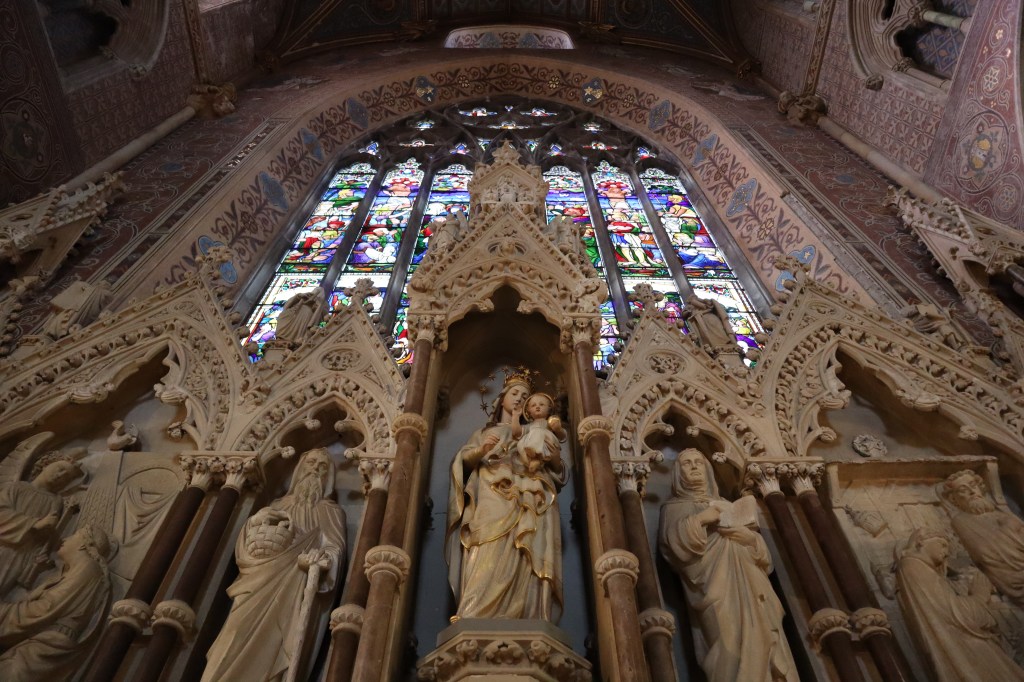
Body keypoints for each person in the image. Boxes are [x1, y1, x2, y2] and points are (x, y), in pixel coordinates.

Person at [202, 449, 346, 682]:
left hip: (295, 586)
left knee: (281, 643)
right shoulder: (278, 504)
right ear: (299, 469)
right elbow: (246, 547)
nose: (315, 470)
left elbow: (334, 548)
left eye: (322, 467)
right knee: (235, 634)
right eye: (311, 463)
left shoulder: (330, 512)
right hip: (258, 581)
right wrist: (256, 521)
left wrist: (319, 558)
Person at [659, 449, 797, 682]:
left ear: (707, 469)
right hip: (713, 586)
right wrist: (702, 519)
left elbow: (765, 561)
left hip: (751, 582)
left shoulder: (727, 504)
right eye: (686, 464)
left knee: (764, 631)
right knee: (728, 639)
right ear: (678, 473)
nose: (694, 467)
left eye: (699, 462)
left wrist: (750, 539)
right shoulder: (674, 507)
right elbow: (673, 547)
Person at [446, 373, 566, 622]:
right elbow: (462, 462)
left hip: (529, 495)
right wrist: (482, 450)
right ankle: (473, 612)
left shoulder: (532, 432)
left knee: (526, 547)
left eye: (525, 397)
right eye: (515, 394)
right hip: (491, 493)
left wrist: (553, 457)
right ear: (502, 399)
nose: (519, 399)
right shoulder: (484, 432)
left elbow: (556, 468)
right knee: (487, 545)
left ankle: (528, 615)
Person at [896, 527, 1024, 682]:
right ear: (921, 541)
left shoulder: (921, 569)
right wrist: (979, 595)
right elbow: (956, 615)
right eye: (942, 544)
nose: (946, 552)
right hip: (965, 647)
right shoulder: (914, 566)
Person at [0, 525, 113, 681]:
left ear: (84, 544)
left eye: (73, 536)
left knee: (12, 673)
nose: (65, 539)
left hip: (50, 644)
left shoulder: (89, 567)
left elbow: (46, 608)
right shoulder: (69, 572)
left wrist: (4, 612)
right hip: (41, 639)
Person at [940, 470, 1024, 607]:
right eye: (963, 490)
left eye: (973, 485)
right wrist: (1009, 529)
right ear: (954, 499)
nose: (972, 492)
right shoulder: (962, 521)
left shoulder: (998, 513)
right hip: (1012, 574)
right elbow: (984, 551)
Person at [0, 456, 81, 597]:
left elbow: (47, 534)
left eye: (67, 477)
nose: (61, 476)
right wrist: (34, 523)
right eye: (60, 469)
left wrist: (43, 553)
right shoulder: (18, 487)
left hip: (22, 556)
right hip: (4, 545)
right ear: (45, 465)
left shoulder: (56, 501)